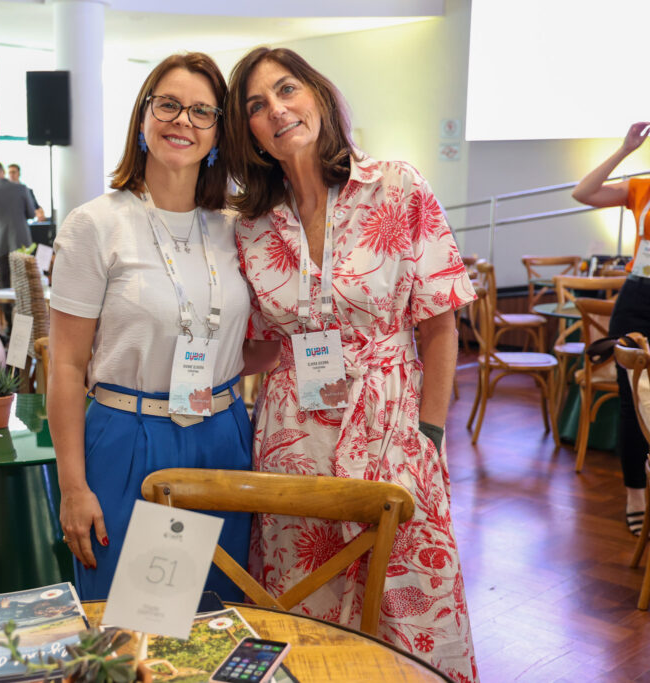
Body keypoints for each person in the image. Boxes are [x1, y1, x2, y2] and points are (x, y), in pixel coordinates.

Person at [224, 48, 477, 681]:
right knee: (303, 606)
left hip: (392, 424)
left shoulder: (397, 185)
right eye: (256, 105)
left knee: (410, 606)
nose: (276, 110)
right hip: (290, 437)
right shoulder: (250, 224)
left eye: (286, 90)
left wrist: (431, 435)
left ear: (318, 94)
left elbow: (441, 324)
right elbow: (259, 342)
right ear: (247, 129)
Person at [48, 53, 253, 600]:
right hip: (130, 437)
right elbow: (65, 365)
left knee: (219, 618)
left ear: (218, 132)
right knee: (136, 627)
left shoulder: (237, 228)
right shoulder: (96, 224)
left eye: (202, 112)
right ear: (143, 117)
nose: (182, 121)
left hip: (224, 435)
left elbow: (248, 342)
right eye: (168, 105)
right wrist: (72, 486)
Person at [571, 116, 650, 535]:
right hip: (638, 297)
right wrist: (624, 150)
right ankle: (636, 492)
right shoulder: (644, 188)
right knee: (631, 399)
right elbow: (583, 192)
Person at [0, 161, 34, 290]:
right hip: (21, 242)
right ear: (3, 172)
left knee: (4, 282)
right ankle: (23, 310)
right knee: (23, 281)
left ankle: (7, 310)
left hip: (0, 244)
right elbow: (31, 214)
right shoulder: (22, 189)